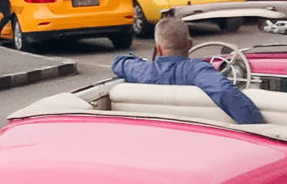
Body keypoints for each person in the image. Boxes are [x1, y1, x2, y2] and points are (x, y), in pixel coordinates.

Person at [112, 16, 264, 125]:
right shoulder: (197, 70)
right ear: (190, 44)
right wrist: (257, 126)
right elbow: (225, 92)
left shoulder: (144, 70)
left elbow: (119, 62)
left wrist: (141, 62)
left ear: (158, 49)